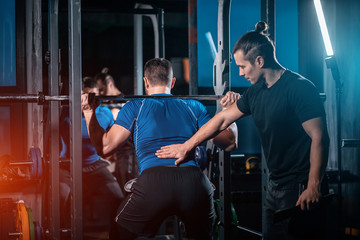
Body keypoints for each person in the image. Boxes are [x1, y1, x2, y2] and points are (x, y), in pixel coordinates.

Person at [156, 21, 330, 240]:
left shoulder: (299, 88)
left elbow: (320, 137)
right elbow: (221, 120)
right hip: (275, 187)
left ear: (259, 61)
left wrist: (314, 186)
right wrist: (186, 146)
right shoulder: (255, 92)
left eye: (243, 67)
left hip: (300, 186)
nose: (240, 73)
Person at [82, 58, 238, 240]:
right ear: (172, 82)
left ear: (145, 82)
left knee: (120, 231)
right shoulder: (194, 106)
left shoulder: (135, 106)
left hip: (154, 183)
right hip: (194, 183)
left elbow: (105, 147)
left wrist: (88, 112)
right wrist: (230, 110)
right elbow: (229, 142)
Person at [59, 77, 124, 232]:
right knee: (62, 198)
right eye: (86, 97)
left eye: (94, 97)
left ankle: (116, 234)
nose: (90, 101)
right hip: (68, 166)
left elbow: (110, 141)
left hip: (95, 165)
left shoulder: (106, 113)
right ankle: (63, 232)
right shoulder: (66, 112)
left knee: (117, 198)